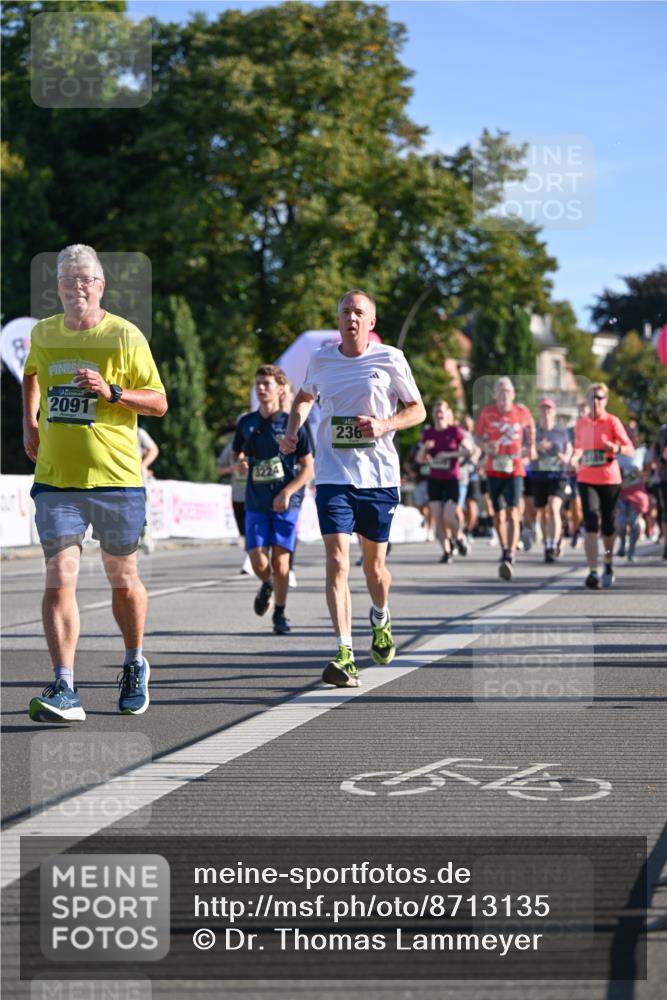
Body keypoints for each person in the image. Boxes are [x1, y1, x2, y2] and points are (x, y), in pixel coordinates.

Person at [23, 244, 167, 722]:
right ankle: (65, 686)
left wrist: (113, 392)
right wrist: (30, 422)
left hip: (116, 480)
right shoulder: (44, 333)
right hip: (57, 480)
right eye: (68, 279)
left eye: (86, 279)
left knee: (122, 579)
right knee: (60, 577)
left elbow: (160, 403)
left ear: (100, 286)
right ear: (58, 287)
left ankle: (133, 663)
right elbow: (30, 374)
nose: (76, 286)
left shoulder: (124, 336)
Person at [280, 289, 425, 688]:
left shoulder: (390, 358)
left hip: (378, 477)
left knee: (375, 569)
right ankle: (344, 652)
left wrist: (383, 425)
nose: (352, 318)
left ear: (371, 322)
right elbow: (305, 397)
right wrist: (292, 431)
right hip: (333, 476)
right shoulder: (321, 358)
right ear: (339, 318)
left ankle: (380, 616)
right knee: (338, 561)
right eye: (346, 311)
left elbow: (417, 409)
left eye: (359, 312)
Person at [232, 365, 313, 635]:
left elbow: (308, 469)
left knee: (281, 563)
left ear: (280, 389)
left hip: (285, 502)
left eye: (266, 383)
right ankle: (266, 584)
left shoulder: (293, 424)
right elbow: (237, 456)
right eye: (258, 383)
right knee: (258, 562)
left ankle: (279, 613)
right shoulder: (246, 423)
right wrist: (240, 465)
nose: (261, 388)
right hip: (256, 501)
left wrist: (288, 492)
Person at [571, 383, 633, 589]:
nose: (596, 401)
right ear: (587, 401)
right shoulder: (581, 423)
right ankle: (593, 571)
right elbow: (578, 447)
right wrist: (574, 457)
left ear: (605, 401)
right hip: (586, 478)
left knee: (607, 527)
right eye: (592, 398)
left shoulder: (613, 422)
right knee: (590, 523)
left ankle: (607, 561)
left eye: (599, 398)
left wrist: (615, 447)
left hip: (609, 479)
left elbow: (629, 450)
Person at [474, 377, 536, 580]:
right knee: (498, 515)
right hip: (494, 468)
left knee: (513, 511)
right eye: (500, 391)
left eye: (507, 390)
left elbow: (531, 427)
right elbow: (477, 436)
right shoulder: (487, 413)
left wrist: (532, 446)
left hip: (515, 468)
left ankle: (511, 552)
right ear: (494, 395)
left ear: (513, 394)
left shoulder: (522, 412)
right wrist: (485, 447)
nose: (504, 394)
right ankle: (504, 548)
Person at [416, 400, 471, 563]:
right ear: (433, 415)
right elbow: (419, 459)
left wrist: (447, 455)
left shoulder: (455, 431)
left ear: (447, 413)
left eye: (442, 411)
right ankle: (447, 551)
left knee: (448, 516)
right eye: (436, 411)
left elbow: (469, 451)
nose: (439, 414)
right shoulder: (428, 434)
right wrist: (425, 448)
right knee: (437, 517)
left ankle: (459, 536)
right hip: (434, 479)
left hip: (452, 479)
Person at [532, 398, 572, 563]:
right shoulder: (534, 431)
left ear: (554, 412)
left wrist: (566, 457)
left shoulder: (561, 431)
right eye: (543, 409)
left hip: (558, 476)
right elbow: (526, 449)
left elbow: (569, 449)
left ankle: (552, 545)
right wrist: (537, 447)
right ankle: (547, 543)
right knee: (543, 512)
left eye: (549, 409)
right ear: (539, 412)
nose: (546, 413)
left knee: (554, 507)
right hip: (540, 475)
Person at [615, 421, 649, 562]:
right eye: (627, 430)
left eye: (633, 430)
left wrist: (641, 474)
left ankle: (632, 549)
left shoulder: (642, 451)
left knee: (634, 522)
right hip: (620, 492)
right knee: (621, 522)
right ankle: (622, 543)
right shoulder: (616, 450)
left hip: (636, 492)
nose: (630, 433)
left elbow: (649, 471)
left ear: (637, 434)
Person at [137, 425, 159, 554]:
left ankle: (145, 535)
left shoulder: (138, 432)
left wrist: (143, 465)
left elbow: (154, 449)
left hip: (137, 480)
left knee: (139, 512)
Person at [649, 423, 667, 560]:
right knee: (665, 512)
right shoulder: (663, 431)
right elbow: (655, 450)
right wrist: (658, 461)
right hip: (664, 477)